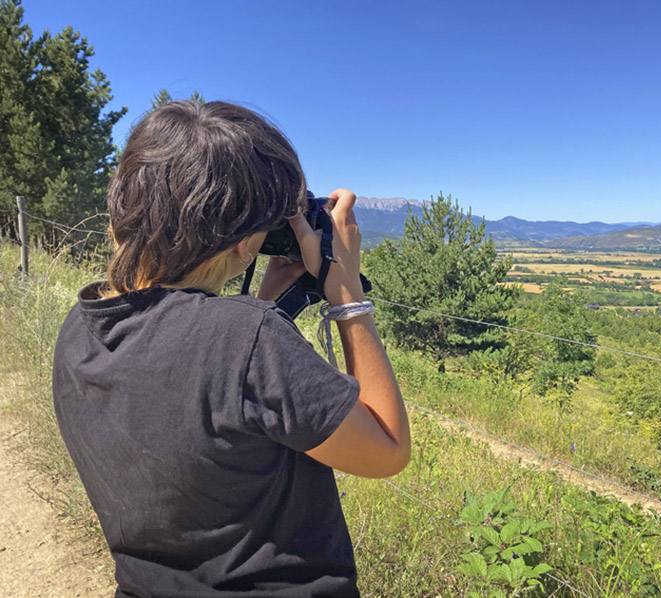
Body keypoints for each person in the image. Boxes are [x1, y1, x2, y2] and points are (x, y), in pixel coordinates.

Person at [52, 100, 410, 597]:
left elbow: (198, 388)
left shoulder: (81, 325)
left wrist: (267, 302)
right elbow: (387, 449)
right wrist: (347, 293)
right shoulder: (247, 340)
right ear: (245, 244)